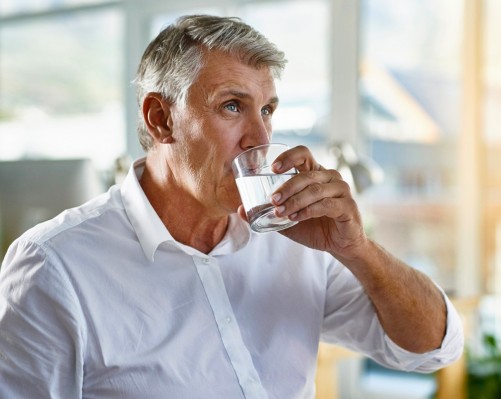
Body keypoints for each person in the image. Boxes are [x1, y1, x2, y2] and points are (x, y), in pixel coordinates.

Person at [0, 14, 463, 398]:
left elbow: (431, 350)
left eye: (267, 110)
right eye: (232, 107)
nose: (260, 139)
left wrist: (357, 248)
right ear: (161, 120)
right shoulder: (53, 267)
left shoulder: (295, 237)